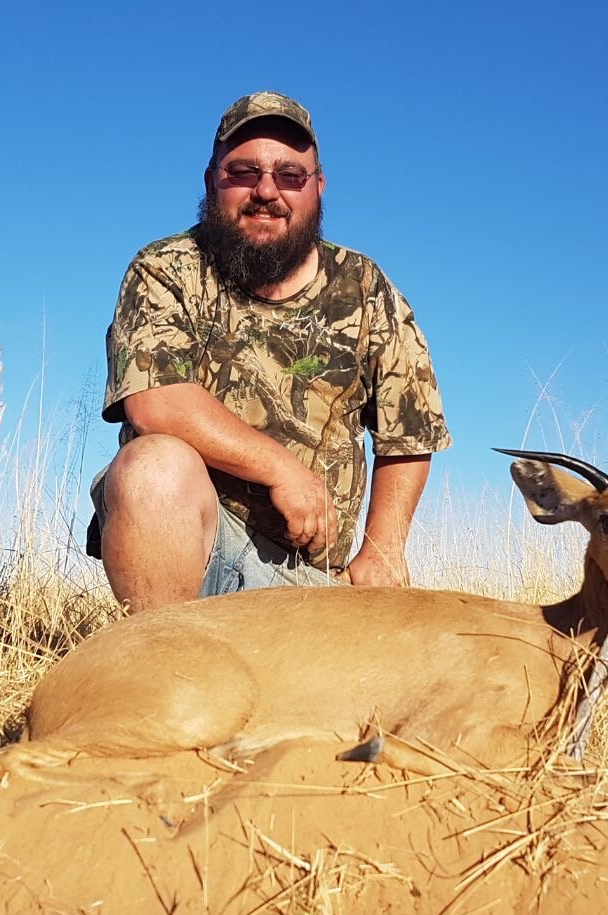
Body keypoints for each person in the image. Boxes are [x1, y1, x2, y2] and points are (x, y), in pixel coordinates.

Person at [87, 91, 451, 613]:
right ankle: (168, 663)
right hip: (199, 553)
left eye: (289, 175)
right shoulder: (164, 268)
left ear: (317, 188)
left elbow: (409, 433)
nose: (266, 191)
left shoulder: (366, 286)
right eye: (243, 172)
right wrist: (281, 469)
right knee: (151, 468)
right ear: (213, 180)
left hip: (314, 584)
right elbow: (155, 402)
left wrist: (383, 550)